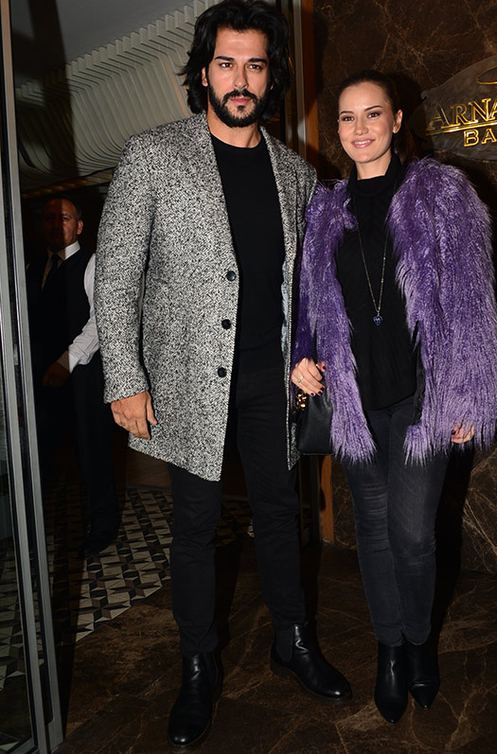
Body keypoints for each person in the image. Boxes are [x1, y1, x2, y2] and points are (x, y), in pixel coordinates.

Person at [95, 1, 351, 749]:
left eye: (255, 65)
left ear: (271, 77)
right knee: (196, 525)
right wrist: (124, 376)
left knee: (279, 513)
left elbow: (306, 284)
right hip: (184, 380)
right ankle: (198, 664)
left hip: (272, 378)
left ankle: (292, 640)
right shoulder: (152, 155)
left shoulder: (295, 172)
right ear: (203, 72)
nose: (240, 79)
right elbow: (116, 275)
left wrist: (310, 354)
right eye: (226, 63)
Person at [292, 70, 497, 724]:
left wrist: (469, 392)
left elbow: (472, 300)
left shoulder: (441, 193)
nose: (358, 129)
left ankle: (418, 642)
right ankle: (388, 649)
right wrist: (300, 357)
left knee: (412, 535)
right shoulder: (324, 208)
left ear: (396, 120)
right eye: (346, 118)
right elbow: (307, 301)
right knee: (374, 534)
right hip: (353, 399)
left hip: (421, 396)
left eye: (371, 114)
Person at [27, 197, 118, 555]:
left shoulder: (92, 263)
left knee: (92, 452)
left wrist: (66, 362)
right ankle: (53, 526)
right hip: (42, 378)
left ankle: (103, 526)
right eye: (49, 218)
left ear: (79, 226)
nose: (55, 224)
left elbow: (99, 322)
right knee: (48, 452)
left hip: (82, 377)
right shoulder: (35, 267)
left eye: (63, 218)